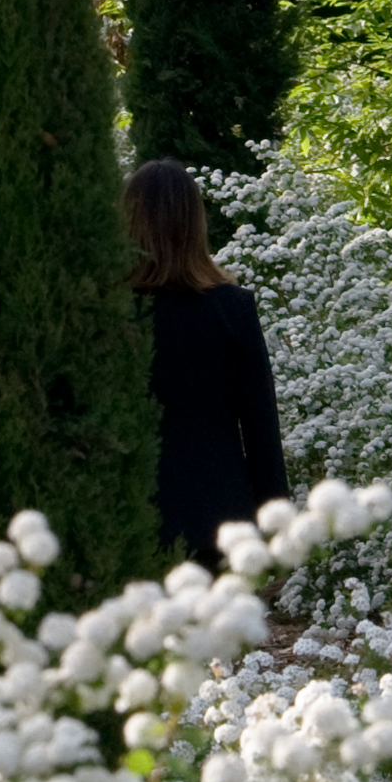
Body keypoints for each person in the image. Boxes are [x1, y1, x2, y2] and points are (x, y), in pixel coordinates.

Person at [126, 159, 291, 565]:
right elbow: (260, 427)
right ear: (195, 224)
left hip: (130, 512)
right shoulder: (232, 308)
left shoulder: (110, 310)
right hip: (221, 517)